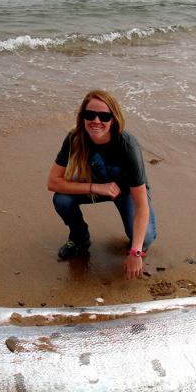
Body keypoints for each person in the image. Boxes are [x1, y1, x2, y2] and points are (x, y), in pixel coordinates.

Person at [47, 89, 158, 279]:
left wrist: (135, 253)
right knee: (62, 200)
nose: (96, 121)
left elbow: (141, 205)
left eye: (104, 116)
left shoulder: (127, 145)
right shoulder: (74, 138)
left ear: (113, 119)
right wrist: (95, 187)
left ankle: (137, 246)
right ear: (82, 117)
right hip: (97, 186)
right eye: (90, 114)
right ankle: (79, 238)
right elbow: (53, 182)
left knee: (144, 238)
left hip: (127, 192)